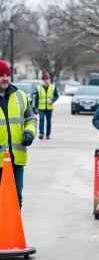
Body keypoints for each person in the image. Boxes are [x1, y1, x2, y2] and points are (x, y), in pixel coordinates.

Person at [0, 60, 37, 208]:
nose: (5, 78)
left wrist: (29, 132)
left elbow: (31, 118)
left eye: (7, 75)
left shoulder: (20, 96)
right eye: (1, 75)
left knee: (16, 196)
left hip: (17, 158)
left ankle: (14, 230)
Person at [34, 73, 59, 140]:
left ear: (49, 79)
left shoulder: (53, 87)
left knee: (48, 121)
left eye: (47, 79)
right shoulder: (39, 88)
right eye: (44, 79)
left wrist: (52, 100)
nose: (46, 81)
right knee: (41, 119)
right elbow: (36, 98)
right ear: (42, 80)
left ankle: (48, 134)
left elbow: (56, 96)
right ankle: (41, 133)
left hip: (49, 107)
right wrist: (36, 107)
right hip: (41, 107)